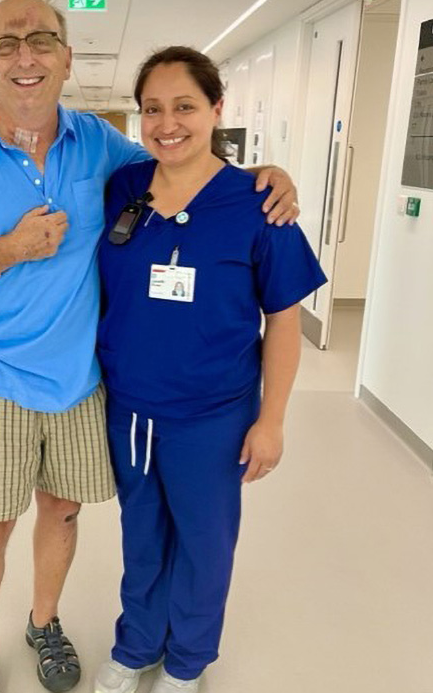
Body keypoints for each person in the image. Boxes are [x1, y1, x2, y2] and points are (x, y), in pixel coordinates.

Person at [0, 0, 300, 693]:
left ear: (65, 58)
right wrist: (2, 251)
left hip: (85, 382)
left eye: (43, 40)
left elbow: (180, 161)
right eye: (8, 43)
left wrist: (269, 173)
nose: (27, 56)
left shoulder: (102, 148)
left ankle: (45, 623)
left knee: (65, 510)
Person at [91, 46, 325, 693]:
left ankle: (187, 662)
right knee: (142, 537)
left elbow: (283, 318)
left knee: (203, 543)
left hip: (212, 417)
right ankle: (137, 645)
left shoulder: (258, 205)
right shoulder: (125, 189)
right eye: (153, 109)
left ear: (217, 109)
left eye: (185, 106)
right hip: (131, 407)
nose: (169, 123)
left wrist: (271, 420)